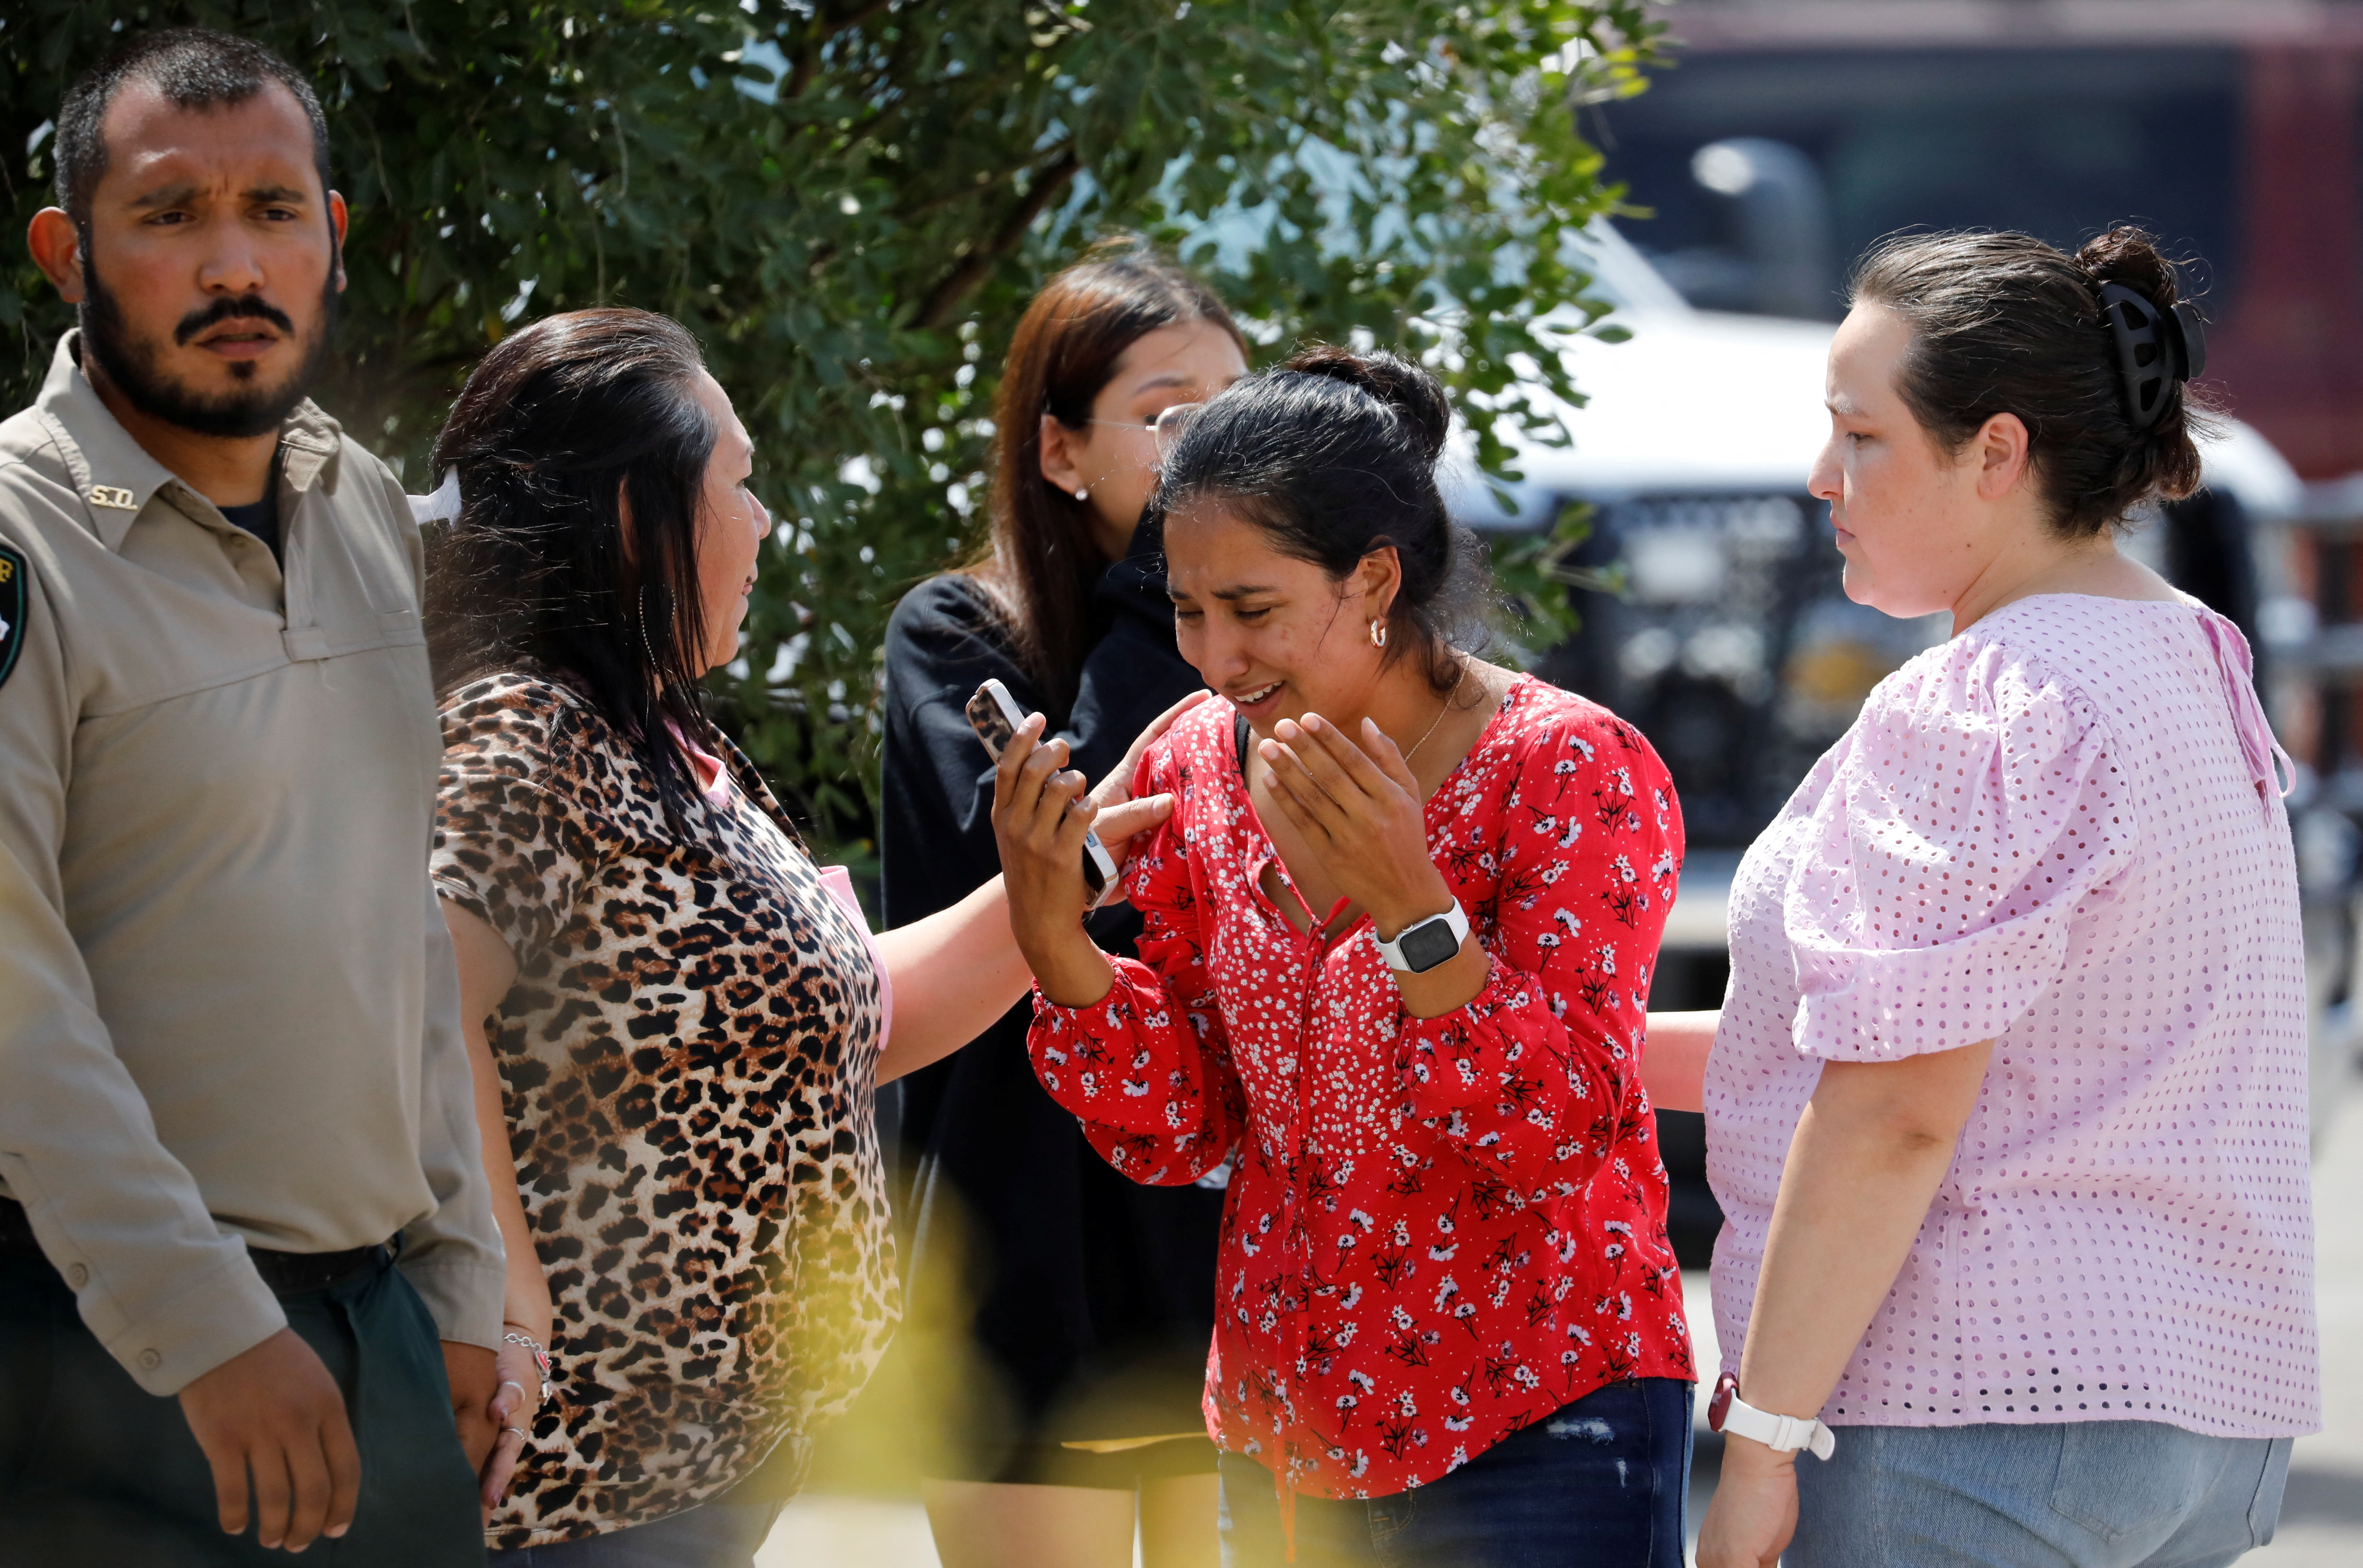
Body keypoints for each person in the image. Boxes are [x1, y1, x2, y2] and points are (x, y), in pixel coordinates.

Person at [421, 306, 1191, 1565]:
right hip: (582, 1474)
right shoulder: (527, 730)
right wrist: (501, 1299)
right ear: (636, 513)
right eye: (740, 480)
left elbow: (849, 1019)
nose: (768, 521)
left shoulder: (663, 735)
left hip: (706, 1466)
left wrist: (1067, 867)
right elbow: (423, 1009)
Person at [1655, 229, 2317, 1568]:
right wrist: (1578, 1053)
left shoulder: (1984, 700)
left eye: (1863, 436)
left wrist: (1765, 1442)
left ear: (1998, 455)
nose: (1821, 477)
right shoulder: (2195, 658)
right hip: (2204, 1422)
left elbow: (1896, 1109)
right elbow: (2047, 1054)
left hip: (1975, 1419)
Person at [994, 347, 1696, 1568]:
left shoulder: (1570, 771)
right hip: (1282, 1445)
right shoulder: (1192, 761)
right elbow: (1188, 1125)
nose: (1214, 658)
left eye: (1253, 610)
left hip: (1542, 1420)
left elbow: (1563, 1130)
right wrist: (1059, 946)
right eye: (1188, 608)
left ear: (1374, 578)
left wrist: (1414, 911)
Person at [0, 28, 508, 1564]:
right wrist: (203, 1323)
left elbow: (390, 909)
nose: (235, 263)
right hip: (105, 1349)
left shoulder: (356, 498)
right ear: (65, 251)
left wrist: (464, 1276)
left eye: (275, 210)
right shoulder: (21, 541)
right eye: (169, 216)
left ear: (331, 233)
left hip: (382, 1330)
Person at [880, 243, 1247, 1568]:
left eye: (1231, 409)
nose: (1209, 447)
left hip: (1213, 1230)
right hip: (1031, 1240)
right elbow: (1070, 865)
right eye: (1169, 417)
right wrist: (1171, 582)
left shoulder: (1264, 653)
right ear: (1058, 451)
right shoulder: (954, 636)